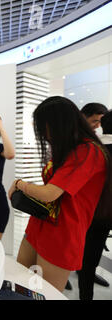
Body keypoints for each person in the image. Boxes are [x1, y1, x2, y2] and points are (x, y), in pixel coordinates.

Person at [8, 96, 111, 292]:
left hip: (63, 233)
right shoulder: (69, 149)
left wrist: (20, 184)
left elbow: (49, 193)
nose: (44, 133)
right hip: (40, 223)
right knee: (20, 284)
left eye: (44, 126)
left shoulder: (88, 151)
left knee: (45, 294)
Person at [77, 108, 112, 299]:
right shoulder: (92, 148)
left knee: (88, 259)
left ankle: (86, 295)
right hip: (98, 214)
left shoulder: (92, 148)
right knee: (89, 258)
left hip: (94, 213)